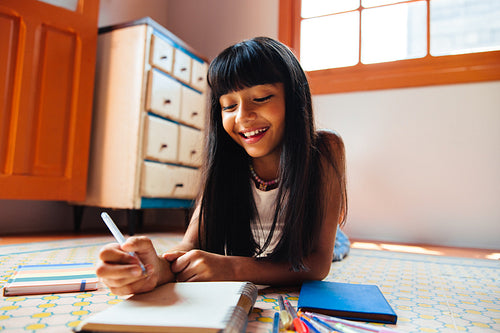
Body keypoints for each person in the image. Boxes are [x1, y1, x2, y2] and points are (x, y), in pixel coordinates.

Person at [96, 37, 348, 295]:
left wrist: (233, 269)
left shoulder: (326, 149)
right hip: (259, 247)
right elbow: (189, 245)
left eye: (261, 98)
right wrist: (154, 269)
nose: (242, 117)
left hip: (306, 235)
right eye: (229, 105)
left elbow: (317, 264)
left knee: (338, 245)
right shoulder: (226, 161)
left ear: (293, 99)